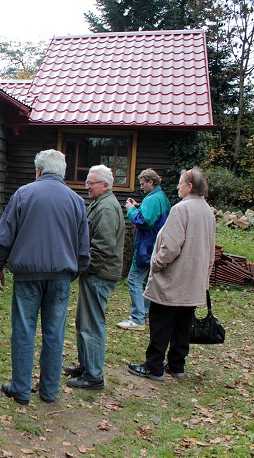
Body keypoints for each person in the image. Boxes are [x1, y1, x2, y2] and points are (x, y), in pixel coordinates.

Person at [0, 149, 90, 405]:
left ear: (39, 171)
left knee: (23, 331)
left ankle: (21, 390)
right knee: (54, 333)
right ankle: (49, 391)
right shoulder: (77, 201)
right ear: (63, 173)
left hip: (28, 275)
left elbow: (4, 235)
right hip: (60, 277)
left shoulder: (23, 194)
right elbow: (83, 248)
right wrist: (72, 272)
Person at [128, 167, 215, 381]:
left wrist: (156, 263)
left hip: (174, 278)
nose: (177, 186)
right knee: (183, 325)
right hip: (194, 279)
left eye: (181, 182)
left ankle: (154, 366)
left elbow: (170, 247)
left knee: (160, 323)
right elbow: (211, 249)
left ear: (190, 186)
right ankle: (177, 365)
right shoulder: (207, 211)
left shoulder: (181, 209)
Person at [64, 165, 125, 390]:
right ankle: (86, 366)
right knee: (84, 321)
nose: (86, 186)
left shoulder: (107, 208)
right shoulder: (101, 203)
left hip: (99, 275)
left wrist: (83, 268)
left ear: (105, 185)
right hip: (95, 273)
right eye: (87, 182)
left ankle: (93, 376)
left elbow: (102, 248)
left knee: (92, 325)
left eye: (91, 183)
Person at [118, 169, 171, 331]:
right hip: (156, 247)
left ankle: (137, 318)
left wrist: (131, 209)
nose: (141, 187)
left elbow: (145, 221)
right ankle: (146, 313)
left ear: (151, 182)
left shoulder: (153, 199)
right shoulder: (161, 197)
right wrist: (139, 206)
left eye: (142, 184)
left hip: (146, 247)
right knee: (148, 281)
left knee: (134, 279)